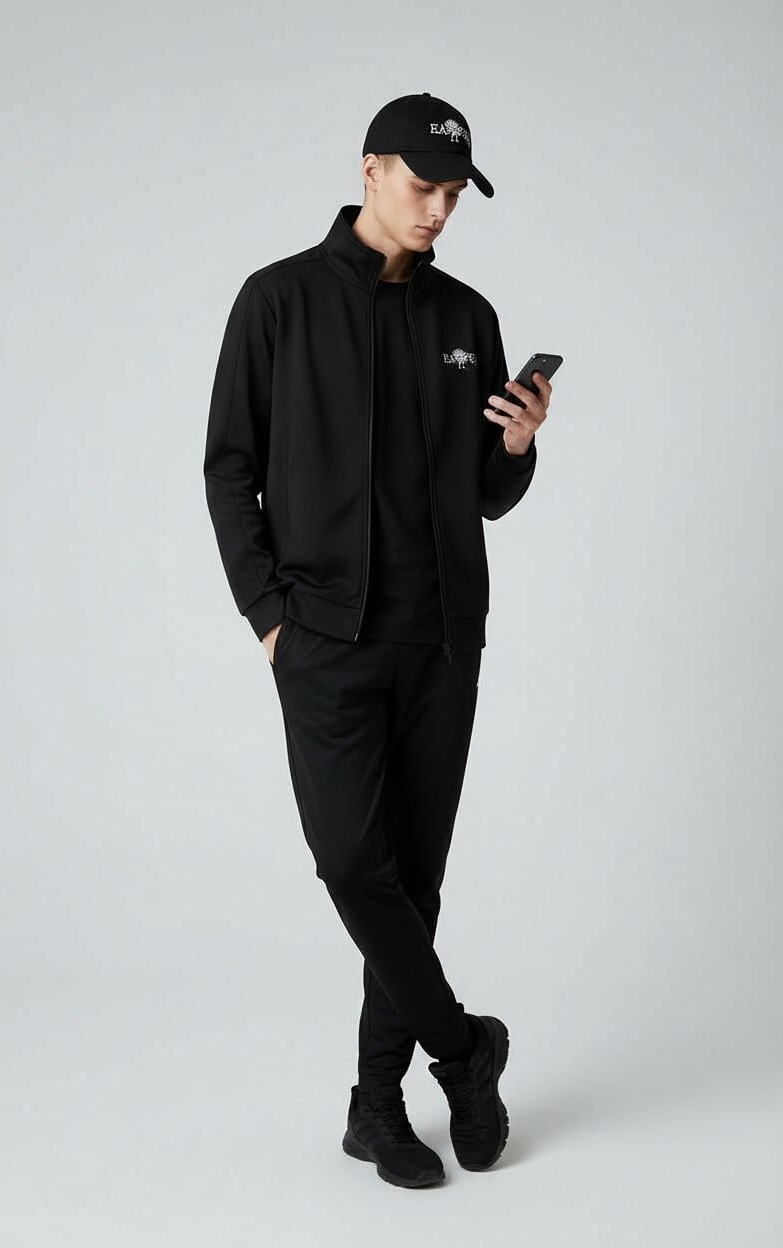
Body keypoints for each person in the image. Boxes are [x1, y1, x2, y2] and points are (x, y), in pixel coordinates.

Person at [203, 91, 552, 1188]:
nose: (437, 209)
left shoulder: (467, 318)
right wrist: (268, 616)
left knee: (414, 880)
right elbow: (228, 467)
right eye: (421, 185)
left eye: (453, 194)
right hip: (323, 639)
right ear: (369, 171)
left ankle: (376, 1106)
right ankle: (464, 1047)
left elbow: (485, 495)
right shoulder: (278, 301)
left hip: (443, 641)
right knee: (355, 865)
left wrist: (519, 446)